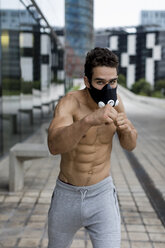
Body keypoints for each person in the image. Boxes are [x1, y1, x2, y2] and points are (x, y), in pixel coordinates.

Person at [47, 47, 137, 248]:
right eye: (100, 82)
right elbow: (53, 146)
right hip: (67, 195)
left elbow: (130, 145)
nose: (108, 87)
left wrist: (127, 130)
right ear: (87, 81)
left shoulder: (117, 103)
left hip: (102, 195)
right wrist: (87, 121)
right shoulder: (69, 103)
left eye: (112, 81)